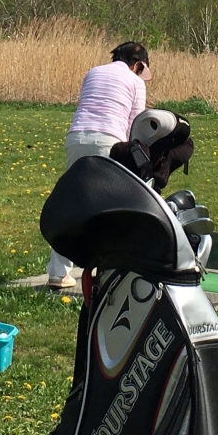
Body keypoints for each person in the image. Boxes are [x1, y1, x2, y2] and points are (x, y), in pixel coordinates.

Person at [46, 42, 153, 289]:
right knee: (111, 206)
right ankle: (110, 270)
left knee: (72, 201)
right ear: (137, 64)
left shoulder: (93, 72)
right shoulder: (135, 82)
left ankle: (57, 272)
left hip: (76, 136)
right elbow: (135, 126)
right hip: (109, 139)